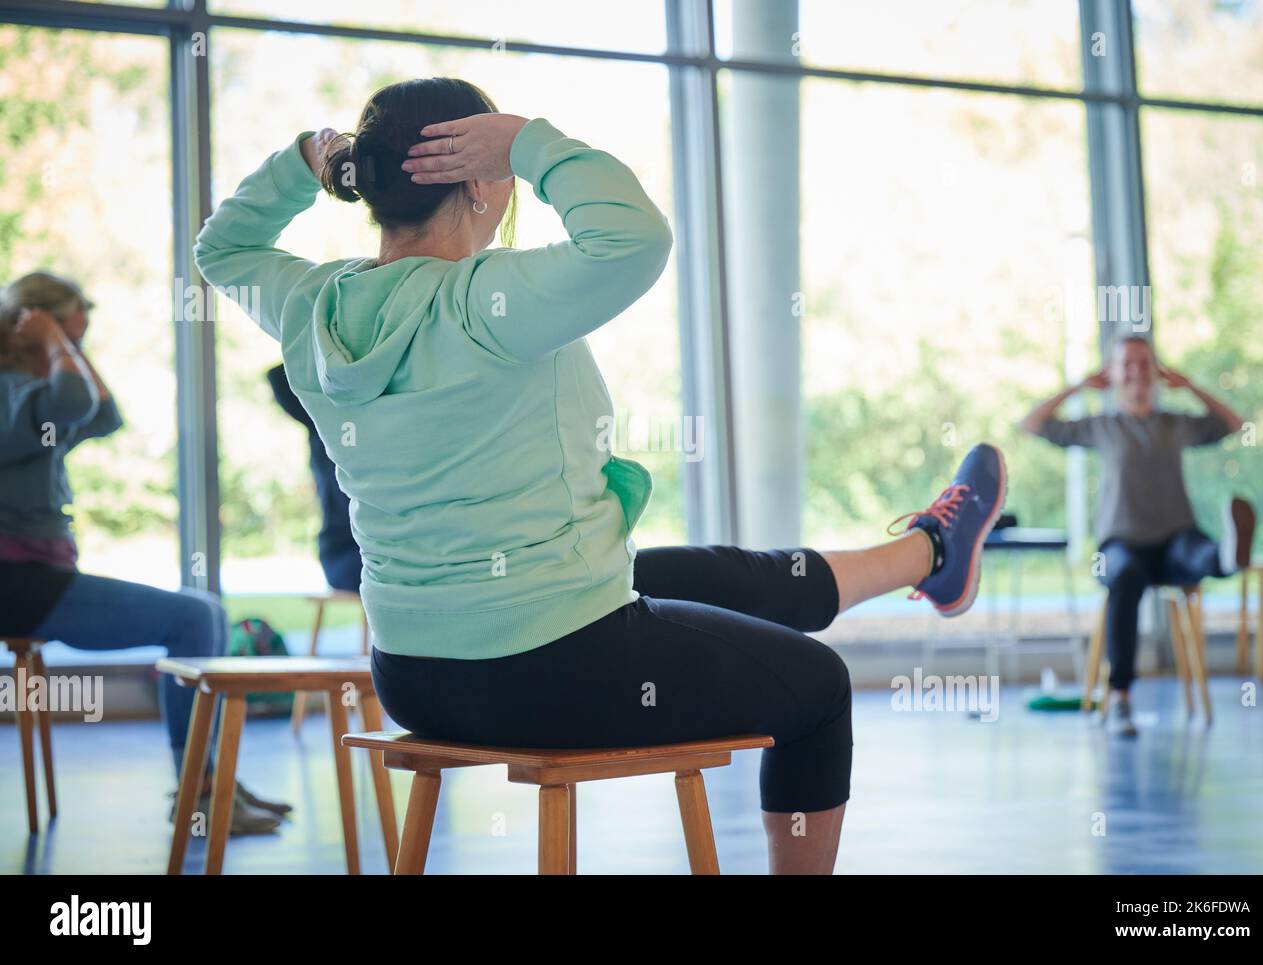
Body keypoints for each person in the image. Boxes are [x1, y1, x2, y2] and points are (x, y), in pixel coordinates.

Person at [194, 77, 1008, 874]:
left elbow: (220, 248)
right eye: (500, 167)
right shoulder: (488, 300)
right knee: (819, 688)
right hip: (550, 673)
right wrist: (530, 142)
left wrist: (306, 161)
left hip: (413, 673)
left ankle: (930, 555)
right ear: (477, 181)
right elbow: (636, 237)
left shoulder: (312, 307)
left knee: (701, 575)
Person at [0, 271, 288, 834]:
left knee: (206, 612)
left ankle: (209, 778)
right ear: (29, 330)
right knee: (193, 618)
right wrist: (57, 342)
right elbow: (78, 398)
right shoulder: (12, 394)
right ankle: (200, 791)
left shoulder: (34, 397)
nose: (74, 354)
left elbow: (104, 414)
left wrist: (61, 343)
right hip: (17, 584)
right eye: (69, 339)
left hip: (36, 580)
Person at [1020, 334, 1254, 737]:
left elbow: (1235, 424)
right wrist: (1079, 386)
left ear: (1157, 372)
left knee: (1197, 552)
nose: (1136, 372)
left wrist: (1190, 386)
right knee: (1124, 577)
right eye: (1126, 364)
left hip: (1175, 540)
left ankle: (1228, 556)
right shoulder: (1101, 426)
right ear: (1111, 373)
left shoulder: (1175, 424)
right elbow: (1031, 424)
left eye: (1145, 364)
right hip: (1120, 545)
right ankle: (1120, 698)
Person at [267, 363, 361, 592]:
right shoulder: (322, 431)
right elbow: (278, 377)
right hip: (344, 555)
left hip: (368, 548)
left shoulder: (361, 428)